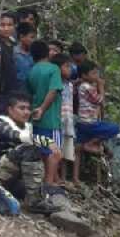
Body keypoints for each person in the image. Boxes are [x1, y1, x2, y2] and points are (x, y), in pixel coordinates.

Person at [0, 92, 59, 214]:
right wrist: (46, 141)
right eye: (21, 108)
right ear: (10, 110)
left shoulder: (26, 127)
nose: (26, 112)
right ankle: (34, 203)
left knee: (50, 191)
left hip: (13, 177)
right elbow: (15, 136)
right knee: (30, 148)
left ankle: (36, 199)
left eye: (28, 109)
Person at [73, 60, 120, 185]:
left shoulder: (82, 85)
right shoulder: (87, 87)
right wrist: (101, 86)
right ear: (84, 75)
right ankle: (90, 144)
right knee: (115, 128)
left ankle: (75, 178)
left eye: (96, 73)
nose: (96, 76)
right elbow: (100, 100)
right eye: (93, 73)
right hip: (89, 123)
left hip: (82, 122)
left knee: (77, 150)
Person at [26, 40, 64, 187]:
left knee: (43, 151)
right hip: (50, 118)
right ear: (47, 53)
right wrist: (43, 108)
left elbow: (30, 93)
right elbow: (53, 90)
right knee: (55, 152)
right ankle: (48, 183)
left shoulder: (32, 70)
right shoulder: (54, 69)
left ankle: (44, 181)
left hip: (35, 119)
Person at [51, 53, 76, 183]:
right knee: (56, 149)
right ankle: (55, 176)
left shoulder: (70, 85)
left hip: (68, 121)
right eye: (67, 66)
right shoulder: (53, 83)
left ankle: (63, 178)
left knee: (66, 151)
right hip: (57, 120)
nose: (70, 69)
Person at [14, 22, 36, 90]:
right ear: (22, 37)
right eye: (32, 37)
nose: (33, 40)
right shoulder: (13, 53)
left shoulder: (34, 54)